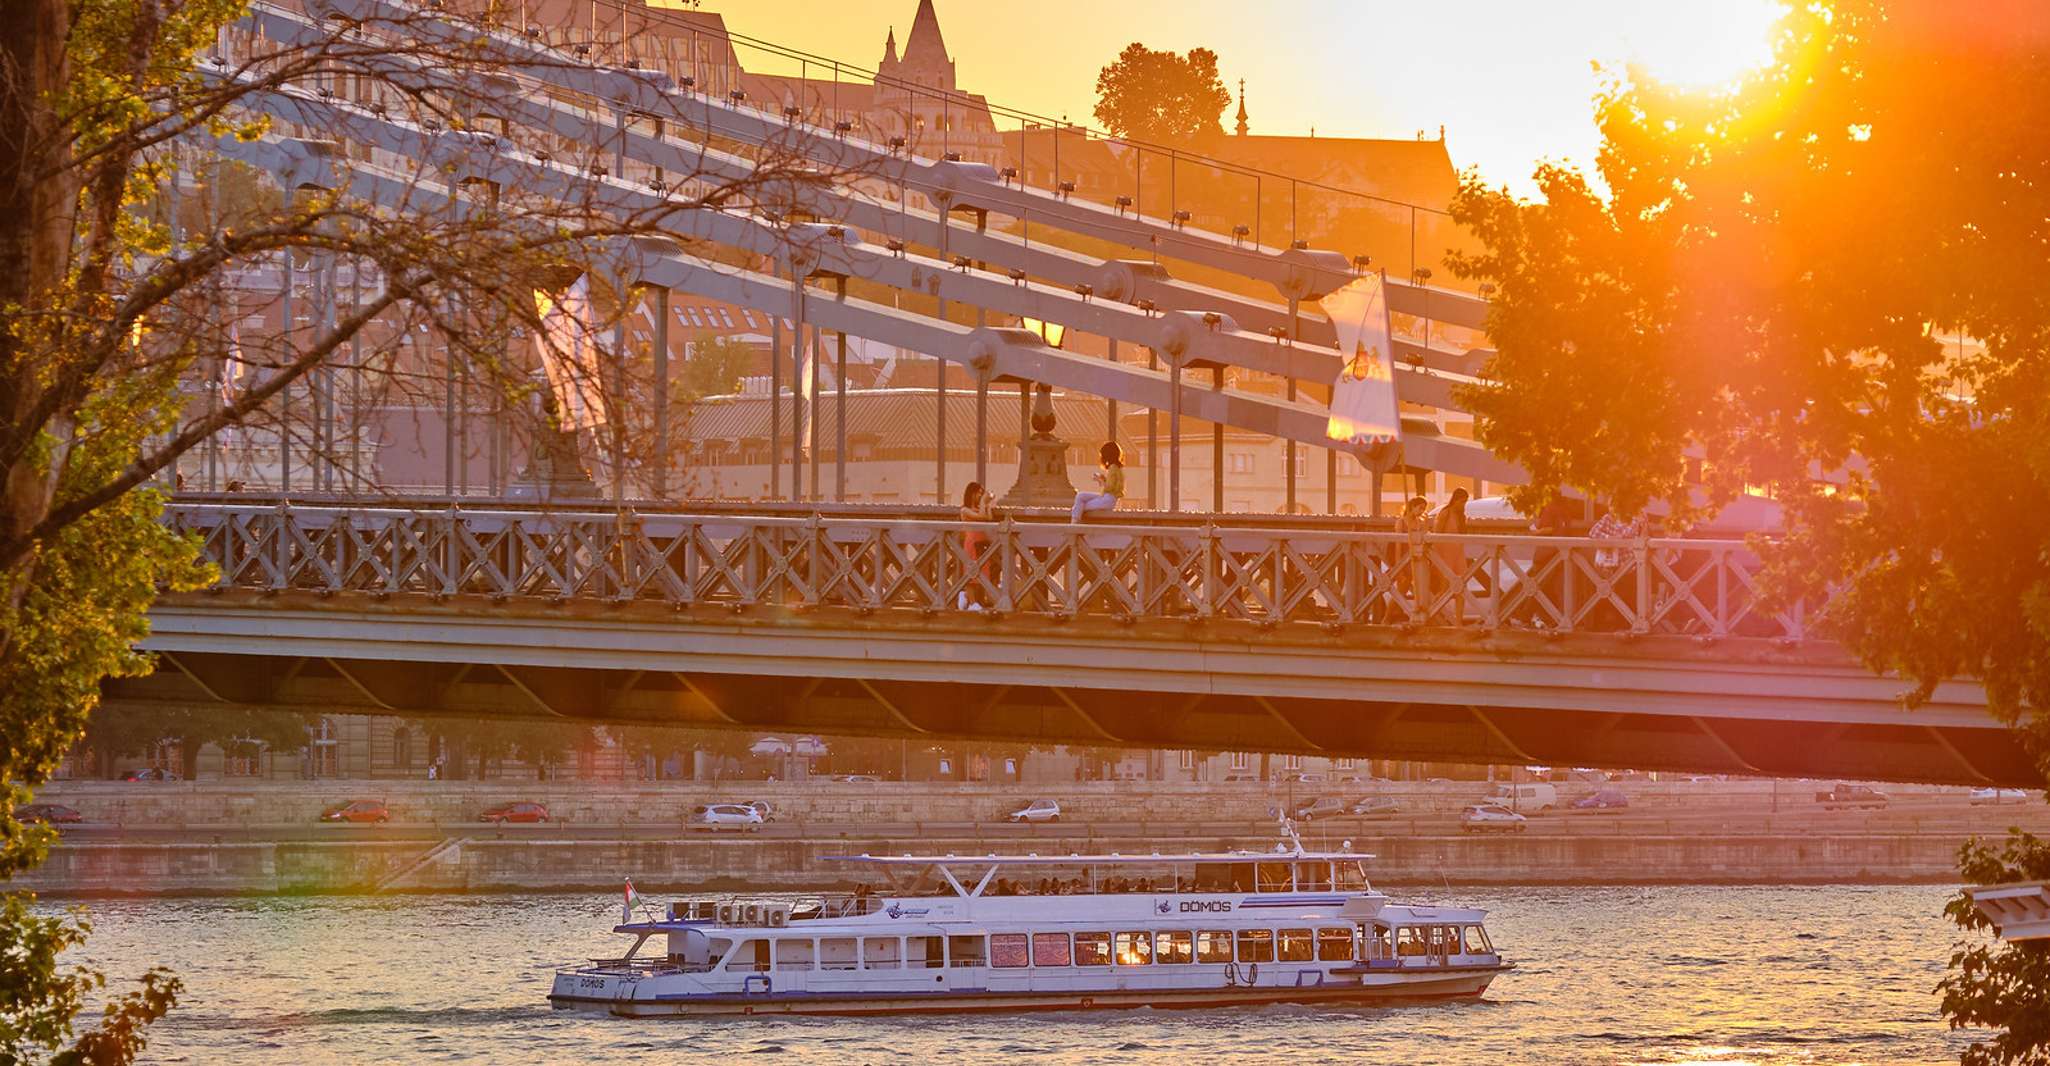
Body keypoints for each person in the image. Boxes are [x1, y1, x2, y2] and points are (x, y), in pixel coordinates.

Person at [1432, 487, 1471, 624]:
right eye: (1461, 501)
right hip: (1445, 555)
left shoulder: (1461, 516)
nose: (1463, 505)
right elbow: (1436, 535)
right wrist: (1436, 560)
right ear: (1455, 500)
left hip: (1458, 555)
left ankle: (1458, 622)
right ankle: (1433, 615)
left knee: (1461, 588)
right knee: (1443, 589)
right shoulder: (1445, 513)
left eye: (1465, 502)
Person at [958, 481, 994, 611]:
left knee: (982, 573)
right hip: (972, 543)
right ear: (972, 494)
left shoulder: (980, 508)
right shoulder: (965, 510)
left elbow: (989, 518)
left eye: (981, 493)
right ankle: (972, 603)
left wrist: (987, 504)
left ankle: (966, 596)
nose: (980, 496)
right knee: (971, 573)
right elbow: (982, 517)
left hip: (982, 543)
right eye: (978, 493)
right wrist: (984, 502)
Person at [1070, 441, 1125, 522]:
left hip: (1108, 500)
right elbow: (1113, 486)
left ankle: (1074, 526)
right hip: (1107, 498)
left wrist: (1101, 480)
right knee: (1081, 496)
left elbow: (1109, 488)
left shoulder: (1113, 468)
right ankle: (1075, 523)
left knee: (1080, 506)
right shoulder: (1116, 468)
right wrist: (1104, 479)